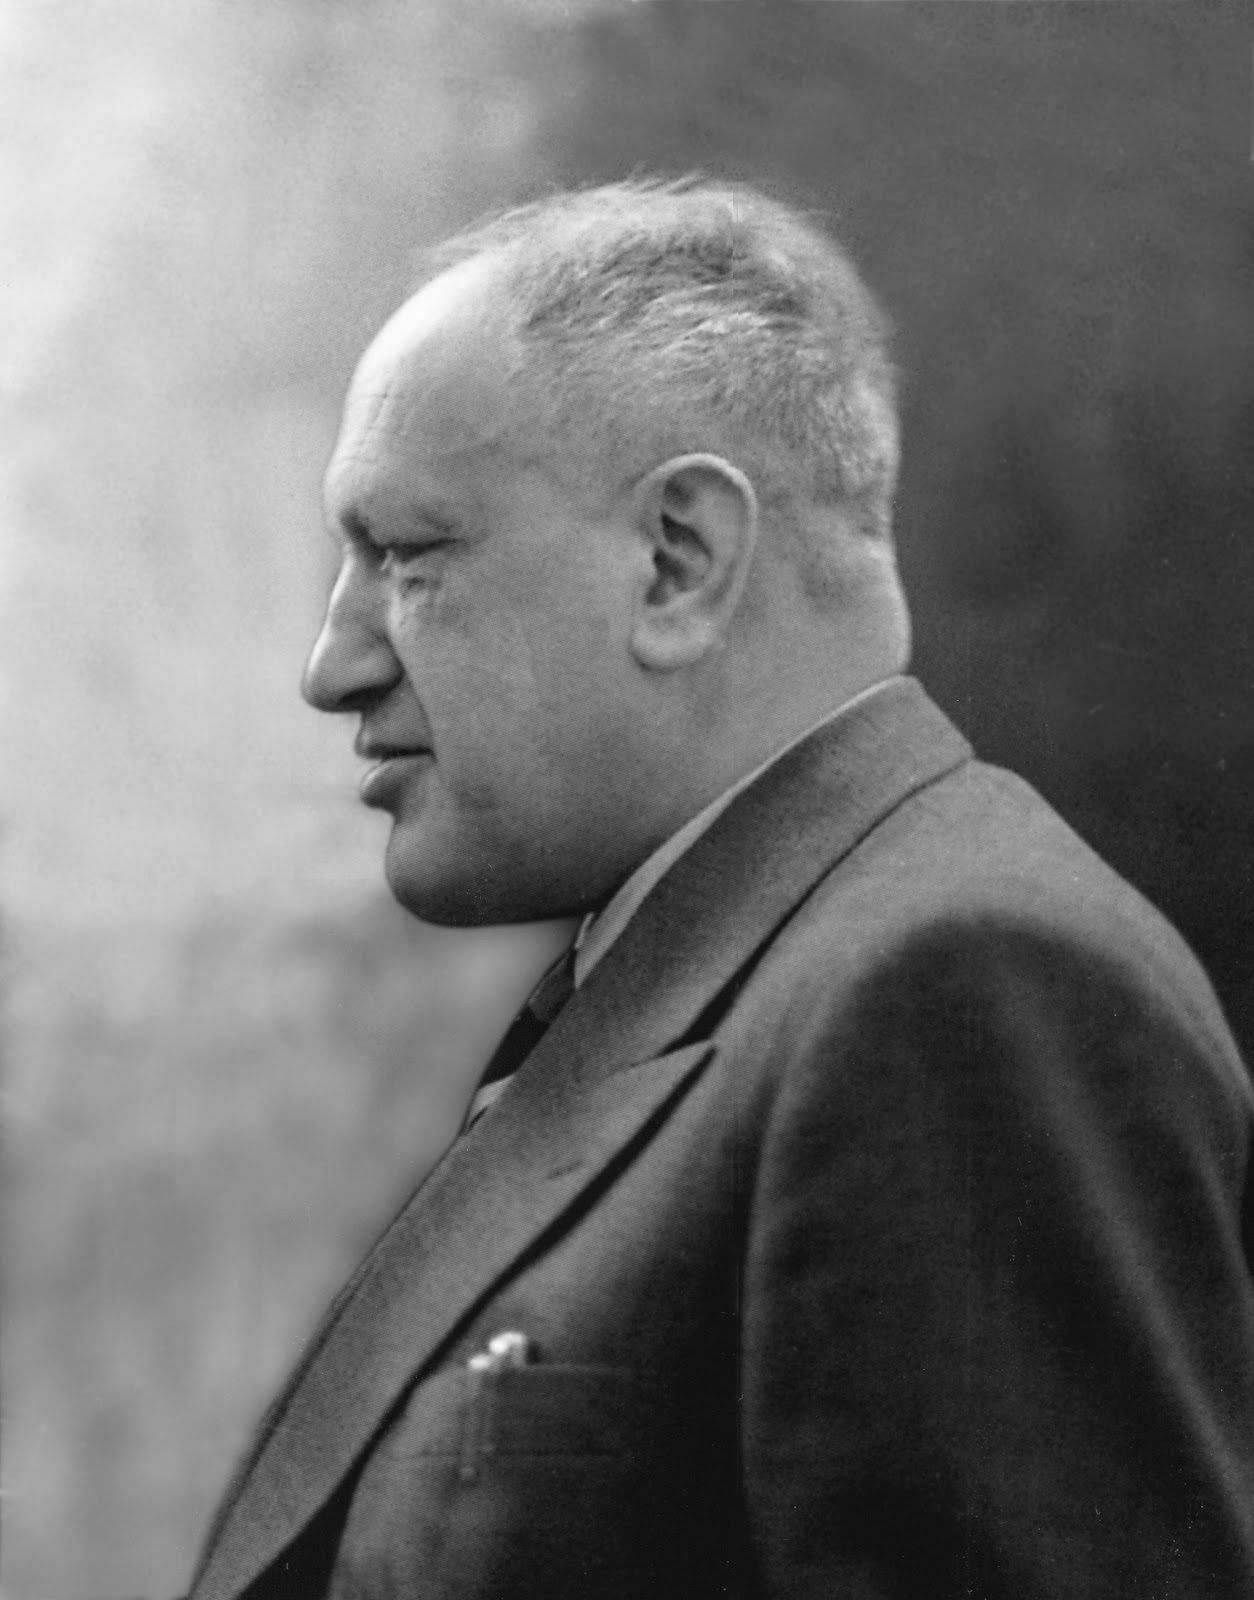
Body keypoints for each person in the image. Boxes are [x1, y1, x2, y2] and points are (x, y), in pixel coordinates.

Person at [188, 178, 1254, 1600]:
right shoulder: (767, 971)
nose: (334, 665)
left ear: (677, 561)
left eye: (411, 556)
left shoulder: (951, 990)